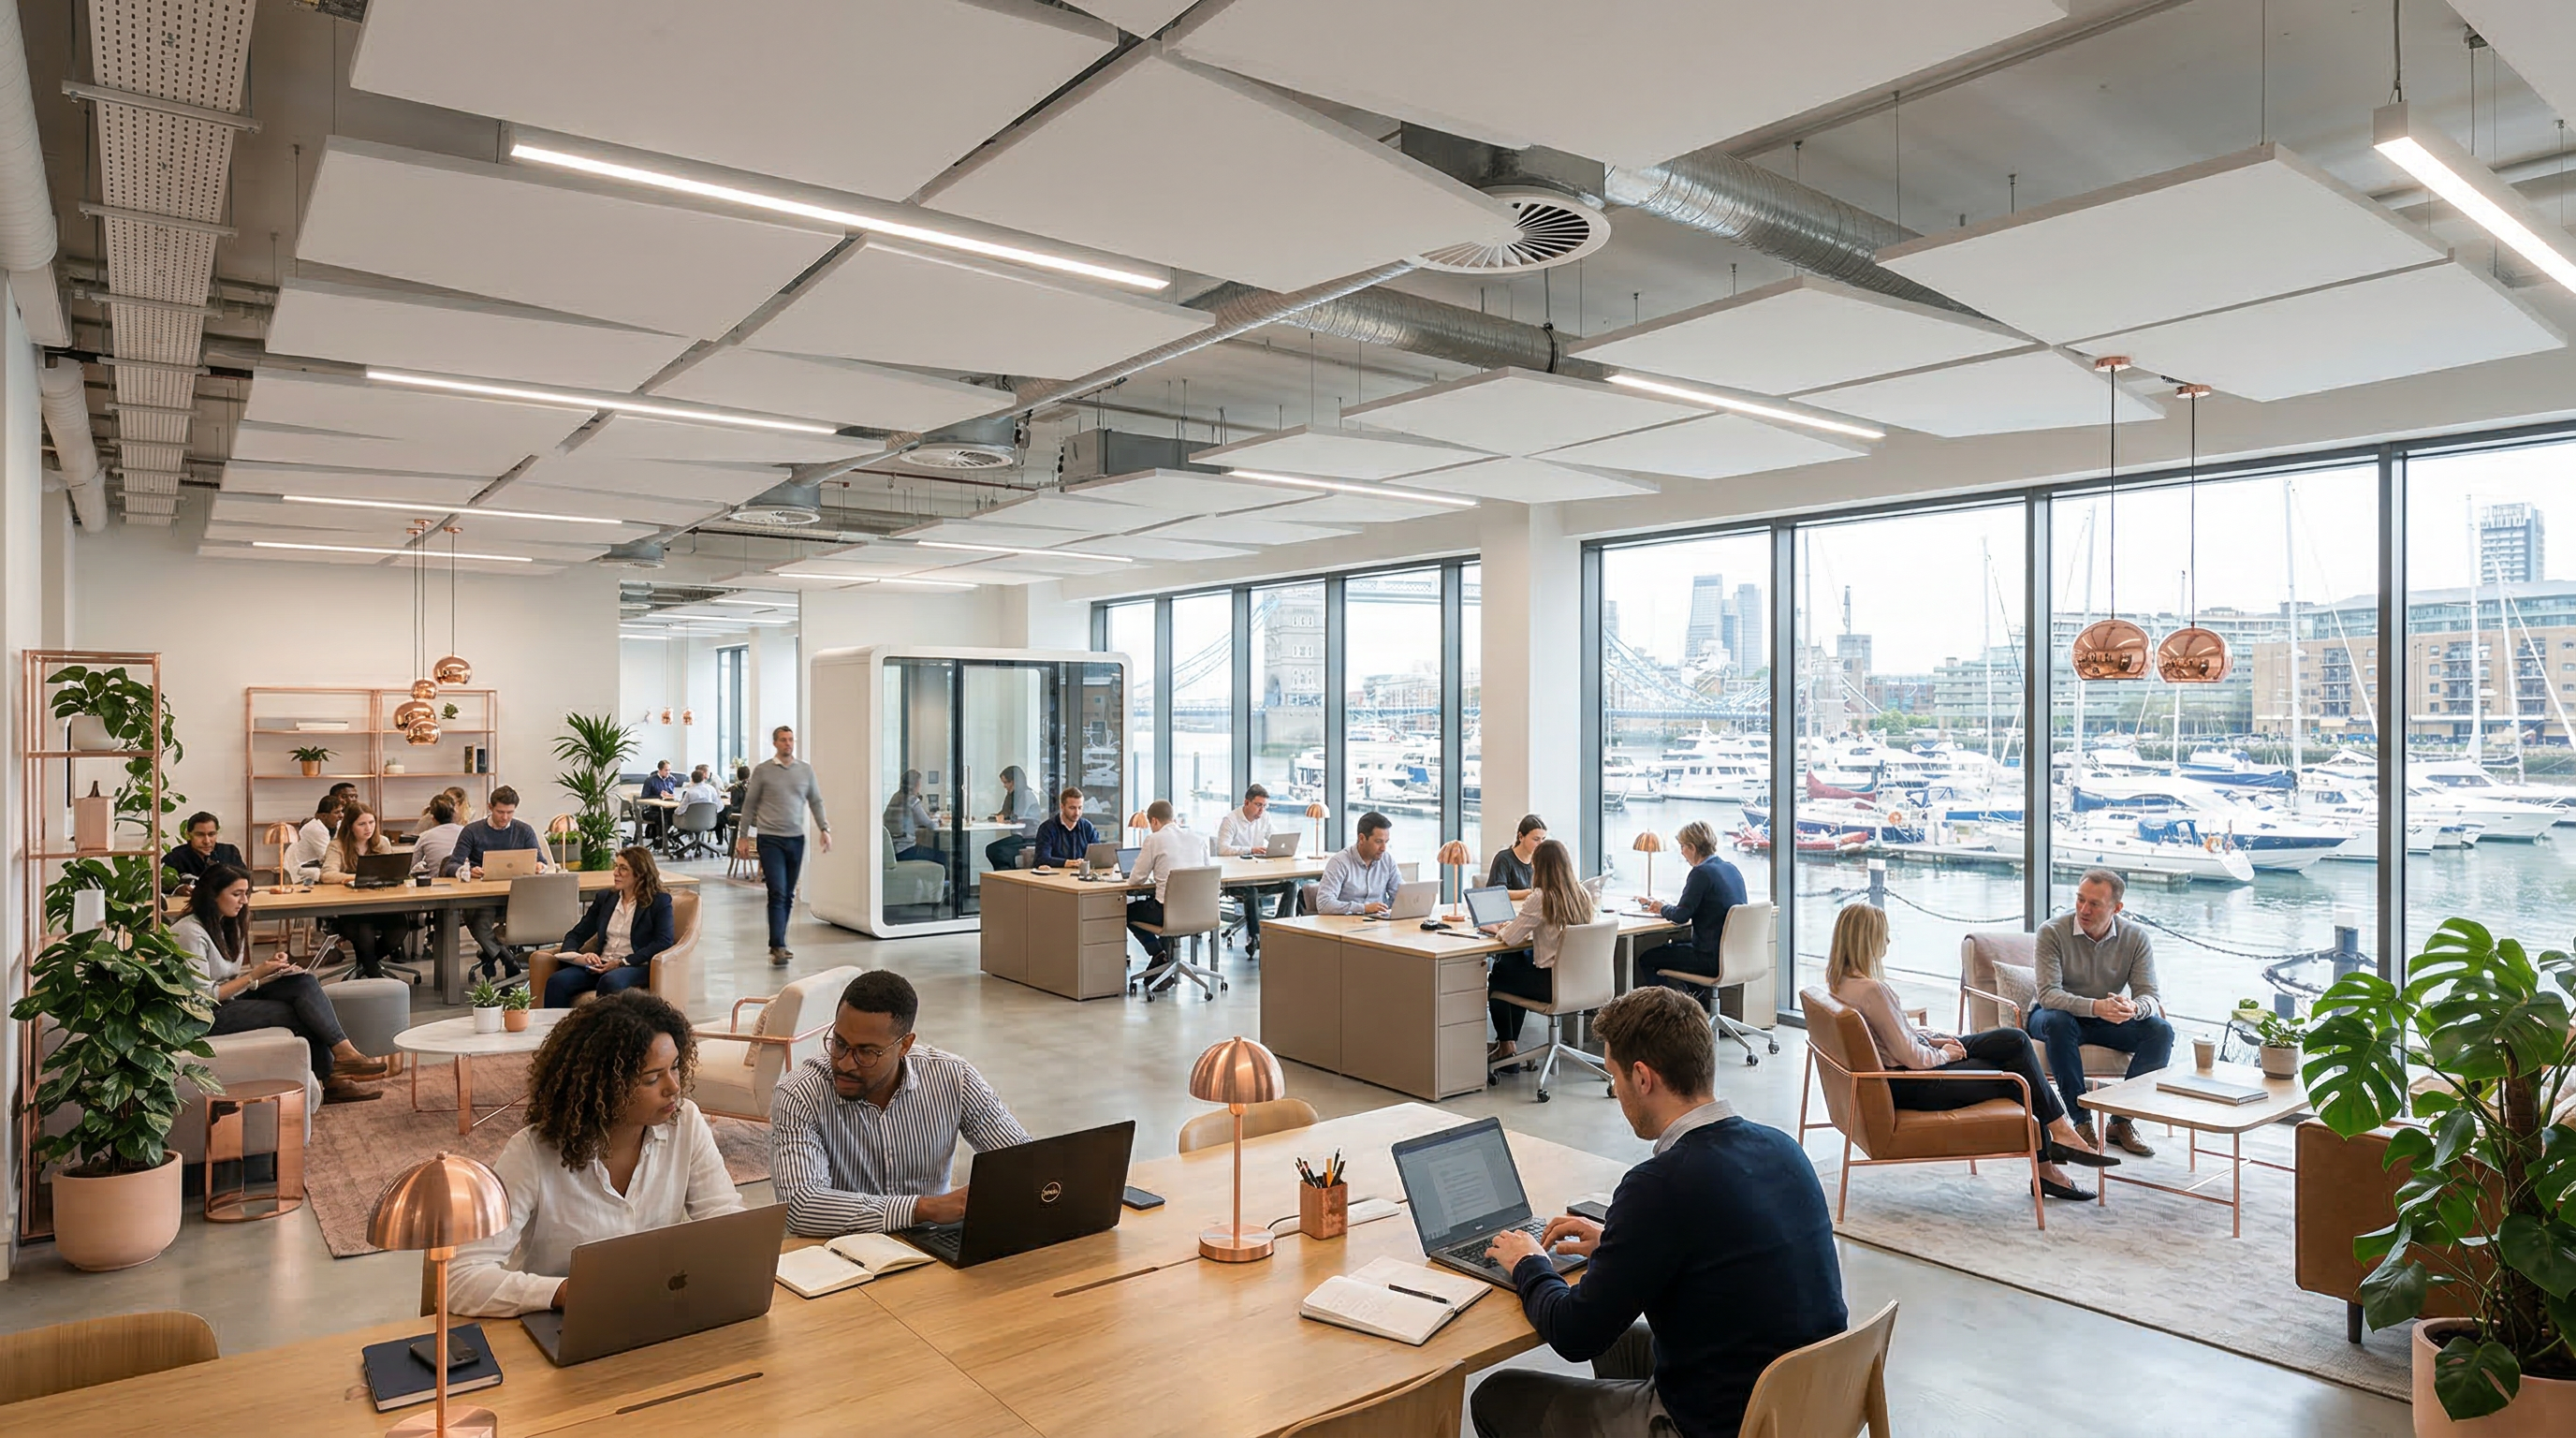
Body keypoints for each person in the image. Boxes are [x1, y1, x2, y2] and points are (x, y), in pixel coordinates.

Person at [1475, 986, 1847, 1438]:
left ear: (1643, 1077)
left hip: (1721, 1424)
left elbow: (1575, 1335)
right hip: (1809, 1404)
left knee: (1498, 1395)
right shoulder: (1783, 1148)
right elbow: (1718, 1236)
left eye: (1614, 1076)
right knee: (1620, 1348)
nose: (1616, 1091)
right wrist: (1620, 1240)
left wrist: (1529, 1263)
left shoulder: (1660, 1184)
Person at [449, 991, 742, 1317]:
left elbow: (727, 1224)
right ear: (603, 1085)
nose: (673, 1087)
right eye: (651, 1078)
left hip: (659, 1312)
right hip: (563, 1321)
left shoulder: (685, 1122)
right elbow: (461, 1279)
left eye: (674, 1067)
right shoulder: (532, 1153)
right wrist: (562, 1292)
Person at [1826, 903, 2117, 1201]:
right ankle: (2055, 1155)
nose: (1887, 942)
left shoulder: (1840, 986)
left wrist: (1935, 1038)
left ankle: (2059, 1142)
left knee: (2014, 1041)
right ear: (1868, 940)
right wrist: (1947, 1055)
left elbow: (1889, 1040)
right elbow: (1913, 1059)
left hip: (1900, 1078)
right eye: (1884, 936)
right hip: (1917, 1083)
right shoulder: (1874, 991)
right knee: (2019, 1073)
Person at [769, 970, 1031, 1237]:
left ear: (905, 1045)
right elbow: (800, 1208)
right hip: (839, 1252)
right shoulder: (799, 1094)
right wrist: (923, 1208)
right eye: (839, 1043)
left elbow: (1026, 1164)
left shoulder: (954, 1078)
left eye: (866, 1052)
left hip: (931, 1247)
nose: (845, 1063)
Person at [172, 863, 386, 1104]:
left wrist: (270, 971)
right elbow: (201, 996)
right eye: (236, 894)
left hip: (228, 998)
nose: (244, 901)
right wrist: (254, 975)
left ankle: (343, 1052)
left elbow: (229, 978)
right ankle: (334, 1075)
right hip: (203, 1015)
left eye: (246, 893)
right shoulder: (189, 933)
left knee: (303, 982)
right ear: (212, 894)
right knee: (299, 1013)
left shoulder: (228, 923)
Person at [2029, 868, 2175, 1157]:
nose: (2084, 909)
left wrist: (2134, 1008)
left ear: (2117, 908)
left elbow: (2149, 994)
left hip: (2105, 1019)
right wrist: (2096, 1006)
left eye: (2094, 903)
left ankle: (2121, 1122)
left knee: (2161, 1031)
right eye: (2080, 899)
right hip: (2052, 1016)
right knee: (2059, 1023)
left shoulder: (2135, 938)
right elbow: (2048, 996)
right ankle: (2080, 1120)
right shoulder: (2052, 932)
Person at [1476, 838, 1592, 1070]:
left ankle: (1507, 1046)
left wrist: (1497, 928)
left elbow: (1510, 938)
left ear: (1539, 867)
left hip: (1550, 985)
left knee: (1500, 977)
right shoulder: (1582, 895)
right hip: (1580, 982)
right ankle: (1507, 1047)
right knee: (1514, 963)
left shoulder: (1540, 898)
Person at [734, 726, 830, 966]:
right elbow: (749, 805)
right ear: (775, 743)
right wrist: (743, 836)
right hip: (770, 839)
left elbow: (816, 801)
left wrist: (824, 829)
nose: (788, 744)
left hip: (795, 839)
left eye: (791, 740)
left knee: (787, 894)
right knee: (777, 890)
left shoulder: (804, 771)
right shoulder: (763, 771)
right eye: (783, 740)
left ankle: (781, 941)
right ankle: (777, 945)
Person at [543, 846, 675, 1008]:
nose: (615, 872)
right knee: (557, 981)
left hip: (635, 966)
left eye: (623, 868)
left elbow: (663, 941)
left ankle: (603, 1032)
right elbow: (577, 934)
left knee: (610, 981)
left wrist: (621, 962)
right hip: (600, 964)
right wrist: (576, 956)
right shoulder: (606, 898)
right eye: (616, 866)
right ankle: (557, 1032)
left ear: (640, 874)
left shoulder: (659, 901)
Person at [1630, 820, 1746, 999]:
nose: (1682, 853)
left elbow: (1680, 916)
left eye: (1682, 847)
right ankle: (1697, 1005)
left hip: (1710, 959)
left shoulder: (1701, 873)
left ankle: (1669, 1012)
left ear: (1691, 847)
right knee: (1676, 947)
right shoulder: (1731, 869)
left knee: (1647, 958)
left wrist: (1661, 907)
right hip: (1732, 955)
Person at [449, 786, 551, 980]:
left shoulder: (524, 830)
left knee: (480, 923)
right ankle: (507, 958)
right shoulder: (472, 831)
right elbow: (452, 864)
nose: (505, 817)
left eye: (510, 813)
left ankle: (491, 954)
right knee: (479, 923)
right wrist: (468, 870)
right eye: (500, 812)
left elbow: (542, 862)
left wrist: (539, 866)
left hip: (517, 896)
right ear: (490, 807)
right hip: (484, 896)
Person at [319, 800, 405, 979]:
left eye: (372, 822)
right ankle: (375, 977)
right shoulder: (338, 845)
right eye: (362, 824)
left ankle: (367, 963)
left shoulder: (382, 843)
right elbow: (327, 874)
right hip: (353, 908)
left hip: (381, 904)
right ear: (350, 827)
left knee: (399, 929)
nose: (368, 828)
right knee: (363, 931)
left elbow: (390, 870)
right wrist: (352, 878)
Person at [1124, 800, 1209, 966]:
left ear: (1154, 821)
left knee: (1126, 912)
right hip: (1201, 912)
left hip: (1167, 914)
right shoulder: (1198, 839)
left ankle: (1157, 953)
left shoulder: (1154, 839)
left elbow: (1136, 879)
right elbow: (1207, 872)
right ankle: (1164, 962)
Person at [1214, 784, 1286, 955]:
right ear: (1247, 802)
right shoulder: (1230, 820)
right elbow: (1222, 850)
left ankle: (1279, 929)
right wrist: (1250, 849)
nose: (1262, 810)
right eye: (1258, 805)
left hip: (1258, 875)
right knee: (1251, 890)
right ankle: (1255, 937)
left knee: (1291, 885)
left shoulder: (1265, 818)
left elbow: (1276, 839)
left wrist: (1282, 848)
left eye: (1265, 806)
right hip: (1236, 880)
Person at [1314, 810, 1401, 915]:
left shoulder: (1387, 860)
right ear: (1362, 838)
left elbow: (1401, 896)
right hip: (1346, 926)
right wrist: (1364, 908)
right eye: (1378, 842)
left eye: (1386, 842)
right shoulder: (1339, 862)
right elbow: (1324, 904)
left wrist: (1390, 910)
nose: (1383, 848)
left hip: (1380, 925)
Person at [981, 765, 1045, 871]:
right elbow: (1006, 814)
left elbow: (1017, 817)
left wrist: (1004, 818)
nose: (1005, 786)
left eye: (1006, 782)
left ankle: (1006, 875)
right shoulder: (1013, 796)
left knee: (995, 850)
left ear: (1014, 782)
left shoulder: (1026, 795)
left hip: (1028, 838)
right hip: (1019, 837)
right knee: (993, 850)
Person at [162, 811, 244, 890]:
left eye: (211, 834)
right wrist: (178, 889)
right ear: (188, 834)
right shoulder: (174, 858)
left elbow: (245, 880)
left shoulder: (230, 852)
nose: (207, 841)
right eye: (200, 835)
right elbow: (159, 887)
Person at [884, 768, 943, 863]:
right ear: (915, 785)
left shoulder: (896, 796)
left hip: (892, 849)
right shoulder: (911, 800)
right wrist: (939, 823)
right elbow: (930, 825)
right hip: (905, 850)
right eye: (919, 784)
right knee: (941, 856)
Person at [1030, 786, 1098, 867]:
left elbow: (1097, 857)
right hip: (1055, 877)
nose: (1077, 812)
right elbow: (1041, 859)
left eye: (1080, 808)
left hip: (1081, 875)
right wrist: (1066, 863)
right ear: (1062, 807)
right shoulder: (1047, 828)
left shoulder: (1088, 828)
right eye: (1072, 808)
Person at [283, 793, 341, 880]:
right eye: (337, 812)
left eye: (341, 811)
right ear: (324, 816)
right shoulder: (315, 829)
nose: (341, 815)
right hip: (304, 868)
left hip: (318, 866)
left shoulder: (336, 824)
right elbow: (327, 857)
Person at [1486, 813, 1546, 893]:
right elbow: (1497, 892)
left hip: (1530, 905)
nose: (1541, 844)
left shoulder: (1539, 861)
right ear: (1521, 837)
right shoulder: (1503, 859)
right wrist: (1529, 893)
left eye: (1543, 839)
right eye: (1536, 839)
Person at [411, 794, 463, 880]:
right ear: (454, 814)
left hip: (434, 885)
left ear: (433, 818)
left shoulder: (425, 837)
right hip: (462, 882)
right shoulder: (466, 832)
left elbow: (412, 866)